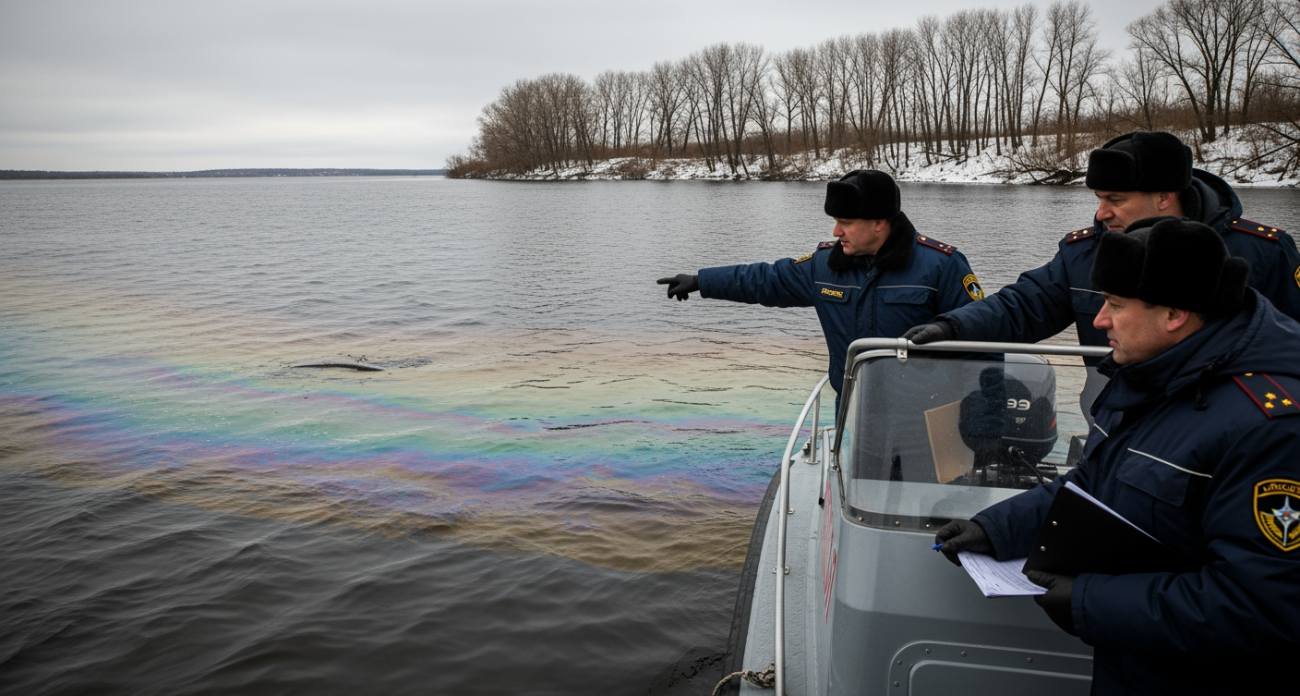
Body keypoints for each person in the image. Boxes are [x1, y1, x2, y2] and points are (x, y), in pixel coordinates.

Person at [934, 217, 1300, 694]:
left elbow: (1265, 606)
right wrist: (997, 528)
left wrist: (1087, 601)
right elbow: (1094, 484)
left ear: (1173, 314)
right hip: (1133, 663)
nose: (1100, 320)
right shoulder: (1153, 374)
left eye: (1115, 304)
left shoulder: (1271, 428)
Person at [903, 131, 1300, 352]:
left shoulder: (1265, 252)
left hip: (1223, 440)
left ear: (1164, 196)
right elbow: (1022, 307)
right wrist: (952, 328)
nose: (1101, 213)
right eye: (1099, 200)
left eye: (1116, 200)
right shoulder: (1084, 252)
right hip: (1115, 423)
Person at [657, 169, 984, 399]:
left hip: (926, 416)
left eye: (845, 223)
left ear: (879, 223)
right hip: (854, 414)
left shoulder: (943, 266)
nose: (835, 232)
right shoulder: (825, 265)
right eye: (835, 222)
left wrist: (981, 420)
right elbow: (764, 280)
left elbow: (984, 343)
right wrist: (701, 281)